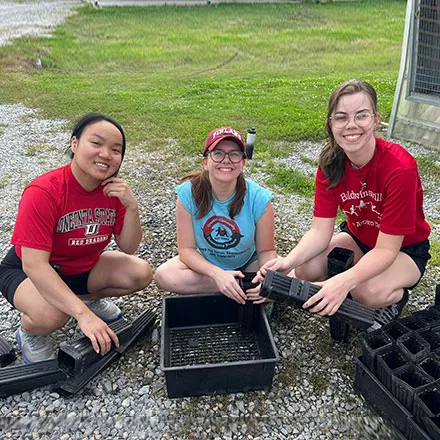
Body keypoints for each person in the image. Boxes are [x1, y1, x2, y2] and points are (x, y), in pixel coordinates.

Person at [257, 80, 430, 327]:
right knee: (306, 269)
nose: (351, 125)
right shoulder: (331, 163)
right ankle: (351, 278)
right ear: (331, 123)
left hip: (405, 249)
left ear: (375, 119)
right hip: (359, 238)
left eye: (361, 115)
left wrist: (344, 281)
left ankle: (394, 297)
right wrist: (289, 261)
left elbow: (386, 250)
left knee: (367, 292)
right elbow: (320, 231)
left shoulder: (399, 168)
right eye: (341, 117)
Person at [0, 113, 153, 363]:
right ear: (74, 144)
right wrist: (82, 316)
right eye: (96, 143)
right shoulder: (44, 191)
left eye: (116, 149)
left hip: (81, 267)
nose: (106, 154)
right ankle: (30, 333)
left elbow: (129, 247)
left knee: (140, 272)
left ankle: (85, 301)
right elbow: (34, 264)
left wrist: (132, 208)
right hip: (27, 271)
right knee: (52, 313)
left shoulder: (114, 191)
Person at [154, 126, 276, 305]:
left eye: (234, 154)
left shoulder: (260, 198)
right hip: (208, 263)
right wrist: (217, 274)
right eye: (218, 153)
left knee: (282, 273)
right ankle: (238, 288)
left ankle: (238, 288)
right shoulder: (188, 193)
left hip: (248, 263)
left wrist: (268, 280)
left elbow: (266, 251)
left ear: (243, 163)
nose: (226, 160)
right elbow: (186, 251)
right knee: (164, 276)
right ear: (205, 162)